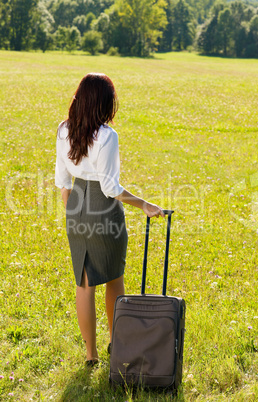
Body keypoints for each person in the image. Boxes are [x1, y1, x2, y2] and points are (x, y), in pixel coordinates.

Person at [55, 73, 164, 367]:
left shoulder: (64, 130)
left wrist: (73, 217)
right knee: (114, 277)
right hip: (103, 209)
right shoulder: (107, 136)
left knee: (84, 282)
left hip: (75, 205)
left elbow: (63, 183)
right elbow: (111, 188)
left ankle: (91, 356)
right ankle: (118, 343)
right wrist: (144, 204)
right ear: (104, 103)